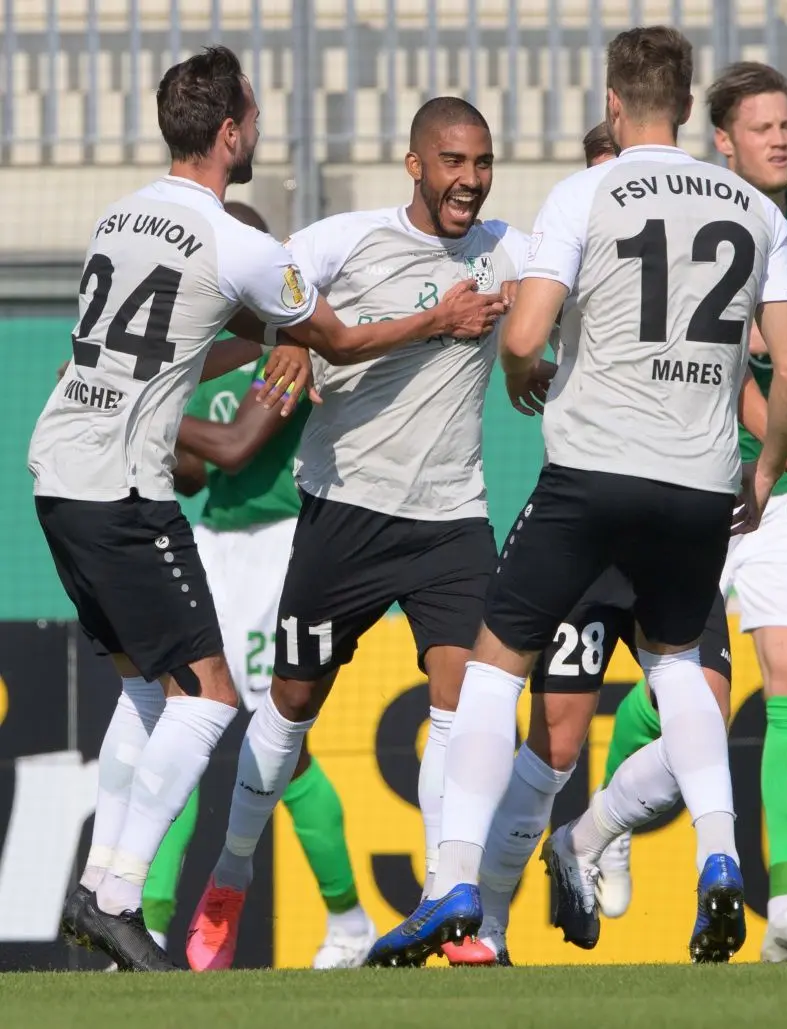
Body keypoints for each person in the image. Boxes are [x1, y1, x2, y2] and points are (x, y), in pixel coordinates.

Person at [34, 46, 500, 973]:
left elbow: (198, 339)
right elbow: (336, 336)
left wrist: (269, 340)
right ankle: (115, 891)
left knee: (145, 690)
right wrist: (432, 321)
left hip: (56, 470)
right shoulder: (239, 244)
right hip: (130, 492)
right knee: (211, 701)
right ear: (232, 131)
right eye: (254, 115)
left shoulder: (117, 215)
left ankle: (117, 890)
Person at [366, 25, 787, 969]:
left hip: (592, 475)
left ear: (615, 104)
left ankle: (455, 879)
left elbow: (525, 331)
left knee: (493, 668)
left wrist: (525, 368)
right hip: (699, 484)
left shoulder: (586, 191)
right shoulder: (753, 210)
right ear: (690, 106)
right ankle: (721, 857)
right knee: (680, 666)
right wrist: (765, 467)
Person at [183, 96, 528, 971]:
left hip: (452, 517)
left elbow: (550, 306)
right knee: (290, 706)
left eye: (482, 163)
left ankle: (447, 900)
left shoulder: (504, 251)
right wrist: (291, 339)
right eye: (453, 161)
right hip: (345, 513)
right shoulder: (344, 242)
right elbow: (265, 305)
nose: (470, 180)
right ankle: (228, 880)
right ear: (415, 164)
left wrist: (544, 362)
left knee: (466, 700)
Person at [591, 61, 787, 964]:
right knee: (681, 704)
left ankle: (785, 902)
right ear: (722, 141)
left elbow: (782, 344)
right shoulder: (701, 210)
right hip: (691, 486)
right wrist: (780, 433)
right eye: (763, 127)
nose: (781, 138)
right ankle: (604, 821)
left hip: (774, 493)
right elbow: (719, 356)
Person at [138, 202, 376, 970]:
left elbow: (237, 449)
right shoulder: (204, 351)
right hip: (215, 544)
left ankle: (349, 920)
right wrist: (153, 431)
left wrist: (146, 408)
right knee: (183, 726)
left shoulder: (286, 343)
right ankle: (139, 925)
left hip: (278, 549)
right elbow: (200, 472)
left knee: (283, 752)